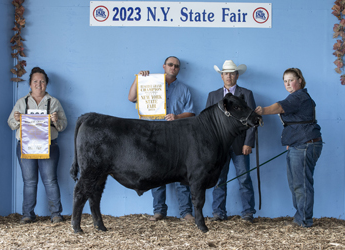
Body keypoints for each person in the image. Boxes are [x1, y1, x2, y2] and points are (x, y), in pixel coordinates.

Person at [128, 56, 195, 221]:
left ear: (179, 69)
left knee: (182, 174)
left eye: (177, 66)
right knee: (156, 174)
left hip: (177, 136)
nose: (173, 68)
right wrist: (138, 79)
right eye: (170, 65)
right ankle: (159, 211)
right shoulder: (149, 83)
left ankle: (186, 212)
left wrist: (177, 117)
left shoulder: (185, 89)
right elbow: (131, 98)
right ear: (164, 66)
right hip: (154, 134)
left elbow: (191, 113)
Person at [255, 68, 322, 228]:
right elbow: (298, 121)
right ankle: (301, 218)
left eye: (291, 80)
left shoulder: (299, 96)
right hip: (299, 144)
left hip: (304, 145)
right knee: (296, 184)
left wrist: (262, 111)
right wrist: (290, 141)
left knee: (301, 184)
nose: (288, 84)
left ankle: (304, 221)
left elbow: (280, 107)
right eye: (285, 81)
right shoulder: (297, 97)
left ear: (300, 80)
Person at [8, 67, 67, 224]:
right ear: (30, 84)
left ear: (46, 84)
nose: (38, 84)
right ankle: (28, 214)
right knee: (29, 181)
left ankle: (56, 214)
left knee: (50, 180)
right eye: (35, 81)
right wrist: (17, 119)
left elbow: (63, 125)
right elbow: (11, 124)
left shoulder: (54, 102)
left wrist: (55, 120)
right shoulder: (21, 102)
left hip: (49, 146)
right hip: (25, 146)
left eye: (42, 81)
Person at [206, 60, 256, 223]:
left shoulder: (246, 94)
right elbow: (208, 122)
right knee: (219, 179)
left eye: (232, 73)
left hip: (240, 144)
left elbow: (252, 121)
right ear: (221, 76)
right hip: (219, 146)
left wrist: (248, 142)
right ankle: (218, 212)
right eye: (226, 73)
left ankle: (248, 213)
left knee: (243, 178)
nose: (229, 76)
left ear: (237, 75)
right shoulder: (213, 96)